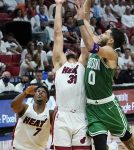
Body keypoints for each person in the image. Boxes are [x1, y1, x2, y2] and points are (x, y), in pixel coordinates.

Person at [75, 0, 134, 150]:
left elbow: (89, 43)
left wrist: (80, 20)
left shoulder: (110, 53)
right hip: (92, 108)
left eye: (105, 33)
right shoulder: (100, 46)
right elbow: (86, 22)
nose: (101, 34)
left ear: (111, 40)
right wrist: (85, 5)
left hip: (109, 108)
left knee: (131, 144)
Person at [52, 0, 91, 149]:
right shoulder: (60, 64)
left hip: (81, 115)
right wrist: (59, 5)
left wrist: (82, 15)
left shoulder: (82, 63)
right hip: (62, 115)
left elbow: (87, 42)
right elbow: (57, 34)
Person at [11, 85, 53, 150]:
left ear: (47, 98)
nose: (40, 92)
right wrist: (25, 92)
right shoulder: (25, 108)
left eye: (43, 92)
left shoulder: (50, 113)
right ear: (34, 96)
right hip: (19, 148)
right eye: (38, 91)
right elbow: (13, 105)